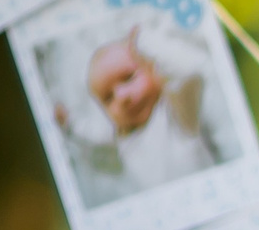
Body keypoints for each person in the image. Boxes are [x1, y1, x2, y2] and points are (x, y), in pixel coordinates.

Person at [54, 25, 216, 192]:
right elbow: (93, 136)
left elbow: (189, 71)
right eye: (108, 98)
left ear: (153, 69)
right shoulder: (120, 134)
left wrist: (143, 41)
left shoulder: (175, 111)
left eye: (128, 78)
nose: (122, 97)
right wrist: (70, 123)